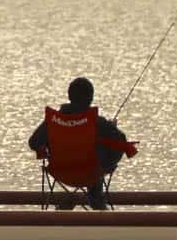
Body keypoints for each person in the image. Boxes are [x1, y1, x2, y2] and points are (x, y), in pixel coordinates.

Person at [29, 77, 131, 210]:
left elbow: (33, 142)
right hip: (91, 174)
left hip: (60, 172)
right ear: (91, 98)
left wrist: (49, 149)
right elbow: (121, 141)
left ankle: (69, 201)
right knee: (101, 151)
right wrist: (110, 130)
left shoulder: (54, 120)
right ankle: (96, 199)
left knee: (93, 155)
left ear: (69, 96)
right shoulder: (96, 122)